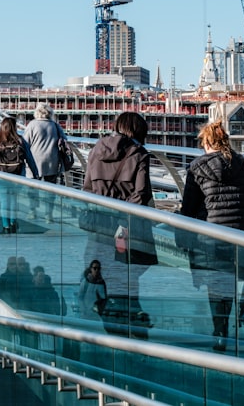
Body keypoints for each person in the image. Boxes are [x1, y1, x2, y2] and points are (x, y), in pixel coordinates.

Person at [180, 119, 244, 352]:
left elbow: (188, 207)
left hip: (212, 238)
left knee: (218, 287)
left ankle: (220, 331)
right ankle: (241, 315)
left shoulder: (197, 167)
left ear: (207, 142)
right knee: (241, 278)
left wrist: (182, 239)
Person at [81, 111, 157, 339]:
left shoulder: (96, 149)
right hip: (125, 227)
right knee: (128, 275)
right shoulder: (139, 154)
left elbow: (87, 188)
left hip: (99, 223)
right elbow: (140, 194)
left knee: (105, 271)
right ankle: (130, 329)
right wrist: (124, 220)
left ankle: (112, 320)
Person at [0, 116, 39, 234]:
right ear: (14, 128)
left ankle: (6, 227)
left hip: (1, 176)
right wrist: (35, 174)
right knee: (14, 200)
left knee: (4, 202)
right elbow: (29, 159)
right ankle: (13, 223)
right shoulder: (20, 141)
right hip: (17, 176)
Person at [23, 104, 69, 220]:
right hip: (52, 161)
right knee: (50, 189)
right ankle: (49, 215)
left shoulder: (32, 125)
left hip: (34, 161)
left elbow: (25, 143)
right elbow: (64, 140)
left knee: (32, 189)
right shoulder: (54, 125)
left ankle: (32, 211)